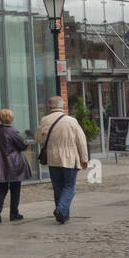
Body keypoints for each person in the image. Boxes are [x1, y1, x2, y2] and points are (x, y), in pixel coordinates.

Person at [38, 95, 89, 224]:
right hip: (70, 158)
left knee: (58, 188)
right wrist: (84, 158)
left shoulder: (44, 120)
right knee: (70, 186)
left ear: (49, 106)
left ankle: (63, 215)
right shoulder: (71, 121)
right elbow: (81, 141)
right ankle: (61, 210)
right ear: (63, 106)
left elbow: (38, 138)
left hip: (52, 159)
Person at [0, 108, 30, 223]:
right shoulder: (12, 131)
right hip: (13, 165)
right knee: (15, 188)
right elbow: (23, 145)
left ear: (0, 118)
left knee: (2, 187)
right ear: (11, 119)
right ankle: (14, 213)